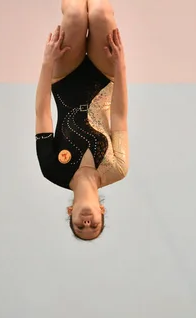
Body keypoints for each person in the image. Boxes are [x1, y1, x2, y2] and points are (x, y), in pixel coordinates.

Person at [35, 0, 129, 241]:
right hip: (105, 77)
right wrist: (120, 66)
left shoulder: (53, 170)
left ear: (70, 212)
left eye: (80, 227)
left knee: (76, 14)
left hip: (63, 76)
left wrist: (47, 61)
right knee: (100, 13)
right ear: (102, 211)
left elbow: (43, 114)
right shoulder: (117, 169)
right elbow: (119, 116)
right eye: (94, 227)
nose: (87, 223)